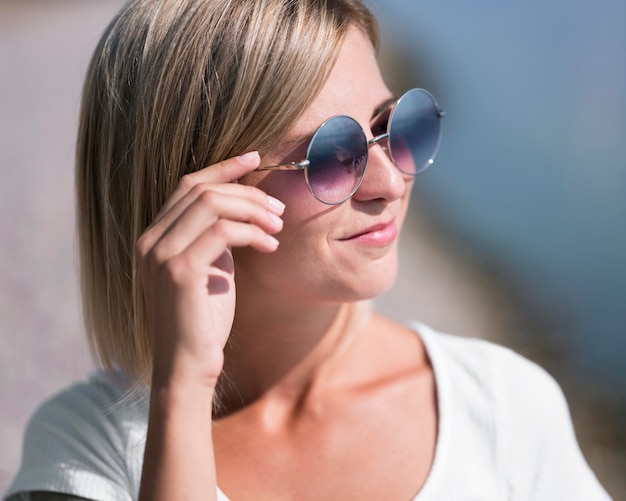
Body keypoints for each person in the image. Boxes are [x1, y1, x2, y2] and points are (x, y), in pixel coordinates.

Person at [4, 0, 611, 500]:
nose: (391, 182)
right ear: (198, 195)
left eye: (395, 125)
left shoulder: (501, 406)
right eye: (331, 154)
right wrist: (183, 387)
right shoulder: (89, 451)